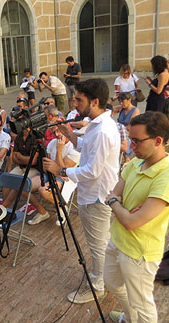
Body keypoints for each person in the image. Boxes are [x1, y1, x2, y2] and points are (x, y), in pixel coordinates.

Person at [104, 111, 169, 323]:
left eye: (136, 141)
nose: (130, 146)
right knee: (112, 282)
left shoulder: (167, 178)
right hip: (118, 240)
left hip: (139, 253)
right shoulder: (137, 163)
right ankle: (130, 318)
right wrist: (121, 207)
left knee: (144, 305)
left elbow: (131, 222)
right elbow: (115, 192)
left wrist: (117, 205)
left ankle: (138, 322)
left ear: (158, 141)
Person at [44, 78, 120, 304]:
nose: (74, 103)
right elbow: (86, 151)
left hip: (97, 196)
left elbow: (93, 170)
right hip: (92, 193)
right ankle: (103, 277)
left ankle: (97, 287)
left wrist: (62, 170)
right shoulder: (96, 125)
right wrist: (69, 135)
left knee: (98, 245)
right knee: (101, 242)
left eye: (79, 99)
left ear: (94, 101)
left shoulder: (103, 130)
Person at [34, 130, 81, 225]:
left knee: (43, 191)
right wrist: (54, 170)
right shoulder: (52, 143)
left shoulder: (74, 148)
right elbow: (46, 164)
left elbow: (63, 170)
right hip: (51, 173)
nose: (56, 135)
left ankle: (61, 208)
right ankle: (43, 212)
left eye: (60, 132)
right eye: (55, 132)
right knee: (25, 186)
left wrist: (59, 150)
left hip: (66, 177)